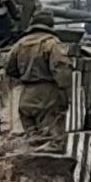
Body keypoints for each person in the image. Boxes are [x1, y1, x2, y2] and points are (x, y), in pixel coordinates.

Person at [5, 11, 75, 141]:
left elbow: (10, 69)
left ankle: (35, 155)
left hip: (26, 95)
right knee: (52, 135)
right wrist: (67, 92)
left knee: (32, 136)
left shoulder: (20, 44)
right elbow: (62, 69)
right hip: (47, 95)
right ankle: (52, 158)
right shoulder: (52, 43)